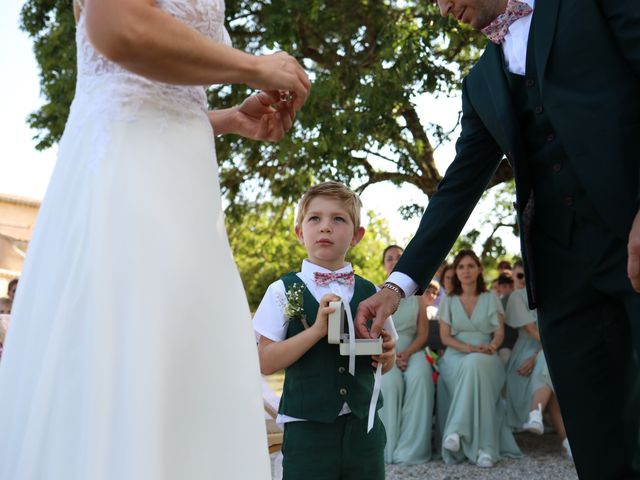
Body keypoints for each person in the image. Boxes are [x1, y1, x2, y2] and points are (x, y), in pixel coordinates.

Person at [0, 0, 311, 478]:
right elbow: (117, 26)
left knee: (178, 374)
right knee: (126, 365)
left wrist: (229, 118)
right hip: (129, 187)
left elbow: (156, 98)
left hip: (186, 192)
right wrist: (251, 67)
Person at [356, 1, 640, 478]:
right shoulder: (480, 81)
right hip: (561, 275)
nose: (446, 8)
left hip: (631, 235)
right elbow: (457, 190)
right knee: (599, 445)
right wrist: (395, 287)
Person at [253, 182, 396, 480]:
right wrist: (316, 330)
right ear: (299, 232)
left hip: (364, 429)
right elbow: (265, 361)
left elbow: (388, 358)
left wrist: (388, 355)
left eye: (338, 219)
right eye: (315, 218)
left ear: (357, 235)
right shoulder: (281, 290)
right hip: (307, 429)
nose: (325, 227)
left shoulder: (372, 292)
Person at [436, 250, 521, 467]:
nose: (466, 271)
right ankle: (485, 449)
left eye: (470, 266)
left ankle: (456, 431)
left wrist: (491, 346)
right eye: (461, 267)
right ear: (456, 271)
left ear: (479, 270)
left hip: (486, 351)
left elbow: (499, 333)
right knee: (474, 365)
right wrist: (469, 348)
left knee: (477, 364)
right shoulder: (449, 300)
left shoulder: (490, 297)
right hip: (456, 355)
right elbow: (445, 338)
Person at [378, 245, 435, 465]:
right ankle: (386, 447)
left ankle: (412, 449)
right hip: (385, 349)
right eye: (389, 258)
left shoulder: (418, 295)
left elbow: (423, 333)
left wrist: (406, 353)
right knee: (389, 382)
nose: (393, 261)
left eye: (399, 258)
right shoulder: (376, 292)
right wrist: (391, 352)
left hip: (414, 349)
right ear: (384, 264)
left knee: (420, 376)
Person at [505, 288, 571, 459]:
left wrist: (538, 354)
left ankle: (536, 413)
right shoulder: (517, 297)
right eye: (520, 275)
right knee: (549, 366)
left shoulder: (556, 294)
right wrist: (537, 354)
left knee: (547, 363)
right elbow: (531, 330)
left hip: (549, 352)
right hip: (525, 356)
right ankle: (567, 442)